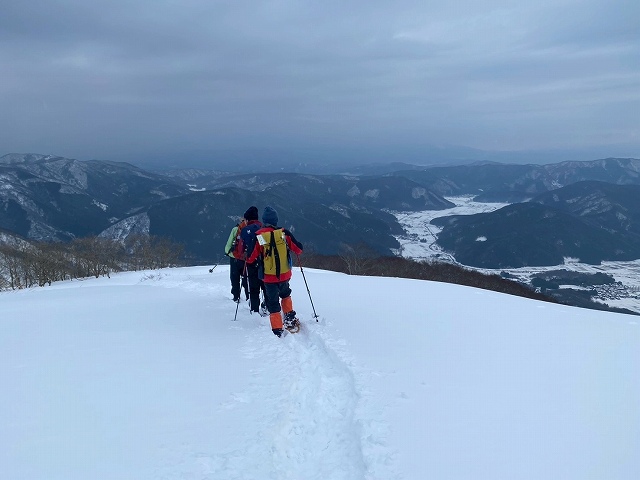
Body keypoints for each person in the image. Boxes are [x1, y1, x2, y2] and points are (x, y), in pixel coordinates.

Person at [247, 206, 303, 337]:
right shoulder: (284, 233)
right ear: (276, 220)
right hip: (285, 274)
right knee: (285, 294)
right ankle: (289, 318)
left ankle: (277, 329)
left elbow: (250, 258)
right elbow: (298, 249)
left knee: (273, 301)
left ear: (264, 220)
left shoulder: (259, 236)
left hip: (269, 276)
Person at [239, 206, 267, 315]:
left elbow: (241, 249)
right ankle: (268, 308)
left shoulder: (244, 230)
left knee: (254, 288)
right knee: (265, 286)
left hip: (251, 262)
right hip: (265, 262)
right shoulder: (263, 228)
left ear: (247, 219)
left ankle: (254, 311)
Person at [224, 215, 249, 303]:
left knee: (234, 278)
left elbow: (228, 245)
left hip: (234, 257)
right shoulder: (250, 230)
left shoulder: (235, 229)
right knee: (246, 278)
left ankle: (236, 296)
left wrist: (228, 252)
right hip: (246, 259)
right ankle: (248, 296)